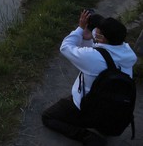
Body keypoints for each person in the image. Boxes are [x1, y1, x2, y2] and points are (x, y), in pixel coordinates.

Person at [41, 10, 137, 145]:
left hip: (89, 109)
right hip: (115, 115)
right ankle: (103, 129)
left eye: (98, 30)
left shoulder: (93, 57)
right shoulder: (127, 53)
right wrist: (88, 38)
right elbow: (102, 54)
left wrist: (80, 29)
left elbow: (66, 47)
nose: (95, 30)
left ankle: (87, 137)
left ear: (103, 38)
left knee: (48, 116)